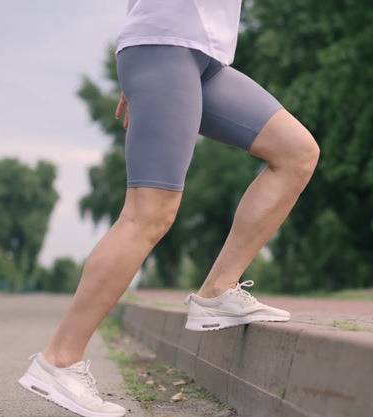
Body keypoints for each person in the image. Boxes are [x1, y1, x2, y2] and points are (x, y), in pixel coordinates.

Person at [18, 1, 319, 416]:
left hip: (202, 55)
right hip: (167, 46)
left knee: (296, 152)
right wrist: (145, 59)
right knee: (148, 214)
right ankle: (59, 360)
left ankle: (218, 293)